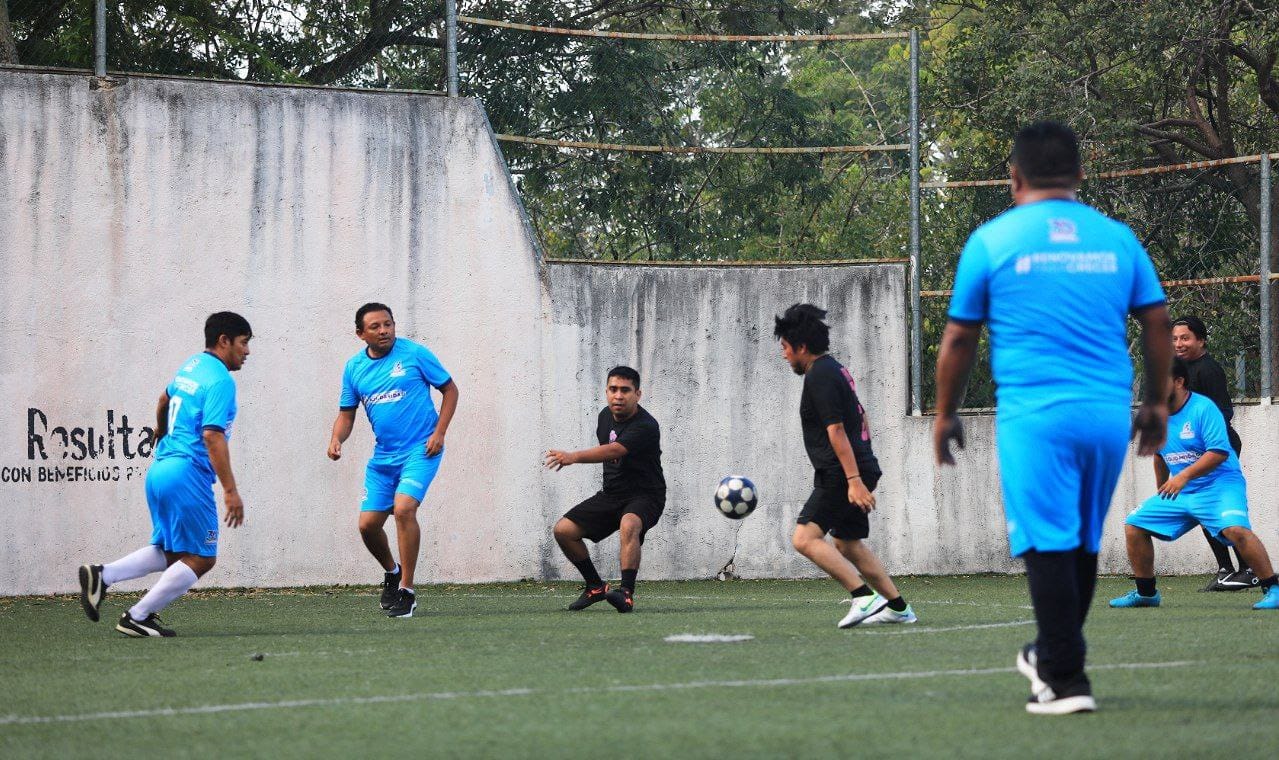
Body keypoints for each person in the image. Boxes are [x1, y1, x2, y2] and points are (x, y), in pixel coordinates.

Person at [932, 121, 1173, 715]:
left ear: (1014, 177)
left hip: (1035, 417)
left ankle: (1066, 680)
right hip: (1105, 416)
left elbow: (959, 338)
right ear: (1080, 175)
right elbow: (1158, 323)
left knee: (1046, 542)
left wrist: (945, 413)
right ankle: (1050, 655)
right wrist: (1155, 403)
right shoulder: (1116, 239)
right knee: (1082, 542)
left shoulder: (992, 241)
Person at [78, 312, 253, 637]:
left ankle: (103, 575)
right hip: (187, 473)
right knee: (202, 557)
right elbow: (212, 435)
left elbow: (164, 399)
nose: (247, 351)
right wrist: (230, 491)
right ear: (224, 341)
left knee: (172, 551)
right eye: (243, 343)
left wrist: (160, 430)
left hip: (161, 470)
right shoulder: (221, 381)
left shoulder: (192, 366)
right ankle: (137, 616)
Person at [775, 304, 915, 629]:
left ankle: (863, 597)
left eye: (785, 347)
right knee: (847, 543)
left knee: (804, 538)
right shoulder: (835, 369)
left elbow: (836, 429)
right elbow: (862, 415)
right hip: (857, 468)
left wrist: (853, 479)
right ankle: (898, 607)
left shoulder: (819, 375)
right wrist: (863, 465)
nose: (784, 355)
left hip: (840, 473)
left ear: (801, 347)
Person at [1109, 359, 1279, 610]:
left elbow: (1218, 452)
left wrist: (1182, 477)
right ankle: (1146, 594)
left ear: (1179, 382)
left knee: (1236, 530)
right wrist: (1161, 487)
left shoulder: (1203, 408)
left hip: (1220, 486)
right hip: (1184, 492)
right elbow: (1159, 455)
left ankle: (1273, 589)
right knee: (1134, 525)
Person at [328, 303, 459, 618]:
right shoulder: (354, 368)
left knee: (403, 509)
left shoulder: (414, 354)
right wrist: (336, 439)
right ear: (360, 334)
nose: (384, 330)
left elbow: (450, 390)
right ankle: (392, 571)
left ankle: (406, 590)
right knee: (368, 526)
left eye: (388, 324)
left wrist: (439, 432)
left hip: (421, 449)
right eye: (375, 326)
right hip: (383, 457)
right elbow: (346, 415)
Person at [546, 366, 665, 613]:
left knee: (629, 524)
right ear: (606, 391)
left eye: (625, 390)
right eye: (613, 389)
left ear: (637, 394)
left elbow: (614, 450)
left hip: (646, 495)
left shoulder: (646, 425)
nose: (618, 396)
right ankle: (595, 587)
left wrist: (573, 457)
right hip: (612, 495)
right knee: (564, 531)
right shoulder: (604, 416)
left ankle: (626, 594)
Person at [1171, 315, 1254, 591]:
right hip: (1195, 453)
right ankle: (1226, 569)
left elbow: (1223, 412)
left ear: (1201, 340)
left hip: (1218, 450)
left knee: (1220, 509)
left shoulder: (1208, 370)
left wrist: (1204, 440)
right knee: (1203, 509)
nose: (1179, 344)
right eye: (1175, 339)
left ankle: (1248, 569)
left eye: (1185, 338)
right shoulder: (1180, 370)